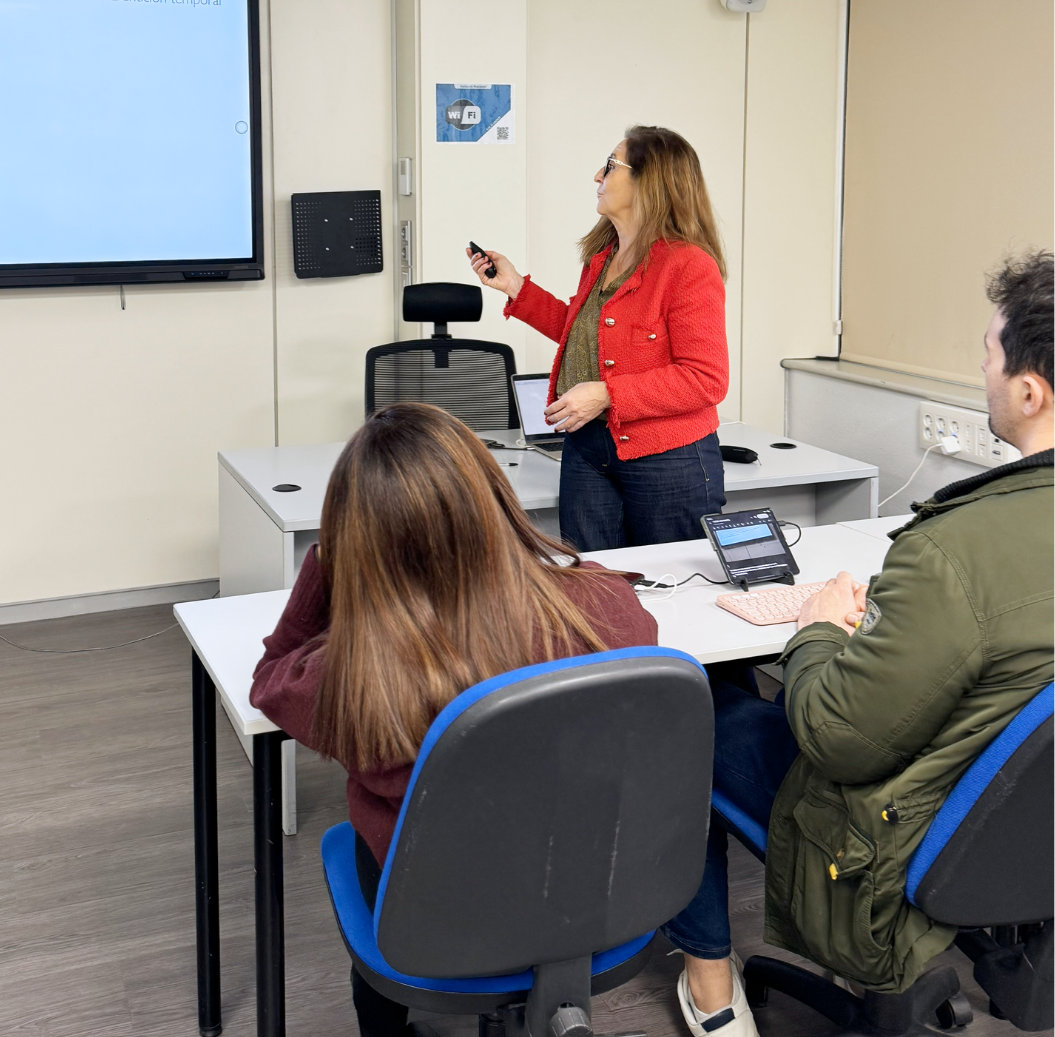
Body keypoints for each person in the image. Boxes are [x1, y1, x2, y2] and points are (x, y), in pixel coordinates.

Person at [664, 249, 1054, 1037]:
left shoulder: (953, 551)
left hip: (903, 835)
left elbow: (837, 739)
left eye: (986, 355)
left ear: (1028, 389)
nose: (980, 373)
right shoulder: (965, 557)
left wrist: (813, 627)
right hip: (1021, 824)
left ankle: (709, 982)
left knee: (687, 711)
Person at [249, 402, 658, 1037]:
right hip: (592, 892)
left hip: (437, 911)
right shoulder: (605, 607)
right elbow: (622, 612)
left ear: (359, 541)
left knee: (362, 836)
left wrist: (326, 564)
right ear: (492, 496)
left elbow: (269, 676)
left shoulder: (350, 675)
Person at [467, 125, 729, 552]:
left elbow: (706, 379)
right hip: (589, 449)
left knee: (677, 589)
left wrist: (608, 394)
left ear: (650, 179)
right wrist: (516, 287)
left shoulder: (688, 265)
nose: (597, 177)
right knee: (595, 587)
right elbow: (581, 333)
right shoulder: (602, 258)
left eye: (610, 166)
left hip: (668, 460)